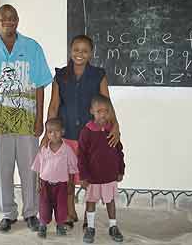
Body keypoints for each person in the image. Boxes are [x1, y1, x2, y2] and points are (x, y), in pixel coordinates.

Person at [0, 4, 52, 233]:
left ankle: (31, 213)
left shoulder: (32, 48)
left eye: (13, 17)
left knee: (30, 170)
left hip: (26, 122)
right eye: (4, 18)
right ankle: (7, 214)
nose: (9, 21)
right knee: (2, 169)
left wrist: (39, 119)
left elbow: (40, 85)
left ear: (18, 19)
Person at [41, 34, 121, 227]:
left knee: (90, 178)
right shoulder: (60, 75)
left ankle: (89, 216)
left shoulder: (98, 75)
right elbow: (53, 106)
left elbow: (106, 104)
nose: (80, 54)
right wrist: (47, 133)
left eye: (85, 51)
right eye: (76, 50)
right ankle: (69, 213)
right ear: (71, 51)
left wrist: (116, 125)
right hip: (65, 134)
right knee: (66, 178)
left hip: (91, 136)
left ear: (91, 54)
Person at [78, 94, 125, 243]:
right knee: (91, 202)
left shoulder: (112, 130)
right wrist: (84, 176)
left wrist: (120, 170)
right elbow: (82, 155)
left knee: (110, 201)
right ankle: (90, 228)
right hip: (93, 177)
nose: (103, 114)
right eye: (99, 111)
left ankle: (113, 226)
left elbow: (119, 151)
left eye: (106, 111)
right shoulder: (87, 131)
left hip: (110, 176)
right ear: (92, 111)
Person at [31, 118, 78, 238]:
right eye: (50, 132)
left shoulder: (67, 150)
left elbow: (72, 168)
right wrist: (38, 183)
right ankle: (42, 225)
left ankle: (60, 225)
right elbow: (38, 167)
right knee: (44, 206)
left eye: (56, 131)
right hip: (45, 184)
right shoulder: (44, 150)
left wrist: (71, 184)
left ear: (62, 131)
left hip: (61, 185)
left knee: (61, 206)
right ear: (47, 134)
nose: (53, 134)